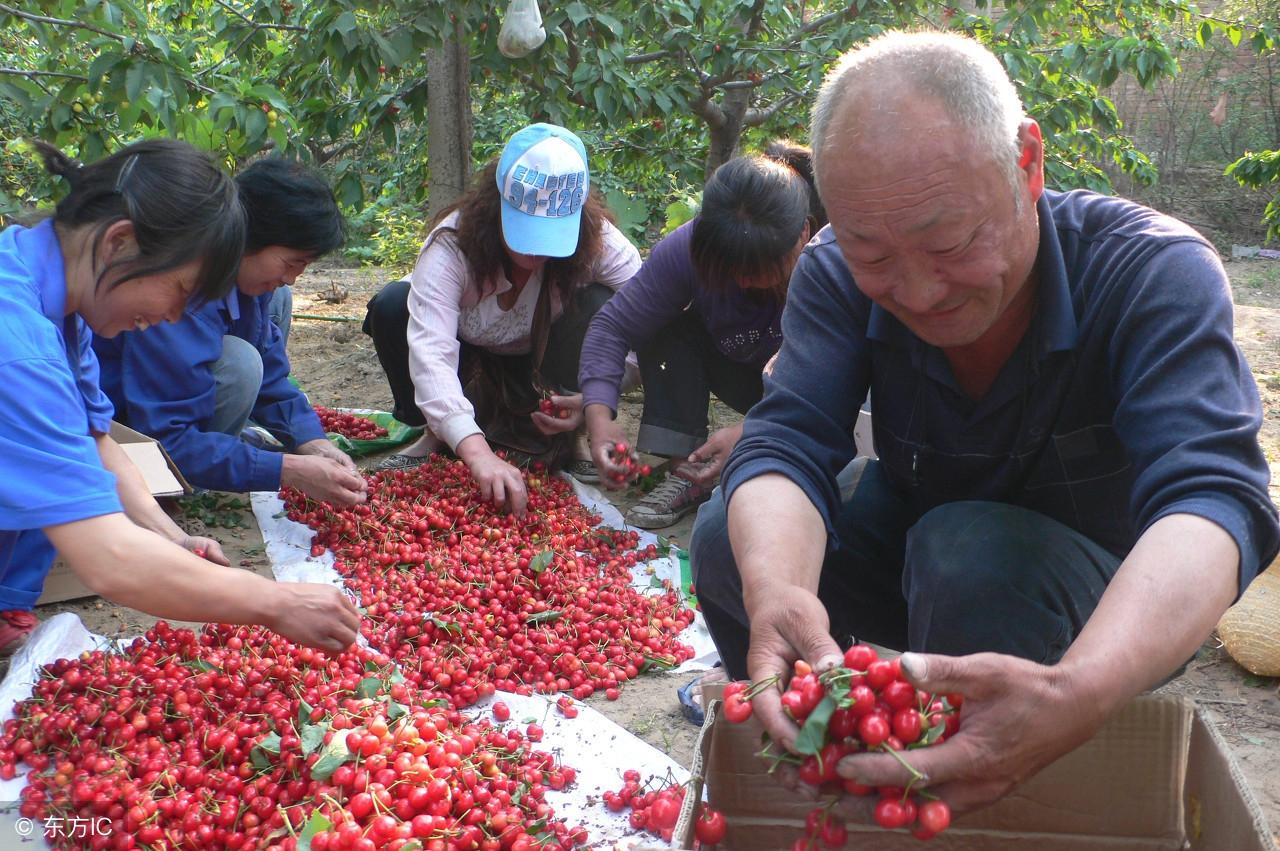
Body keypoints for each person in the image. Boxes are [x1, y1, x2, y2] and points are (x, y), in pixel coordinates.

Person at [689, 30, 1279, 813]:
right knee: (729, 534)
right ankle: (809, 752)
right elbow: (788, 440)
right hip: (920, 552)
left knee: (970, 550)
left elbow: (1216, 498)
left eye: (951, 241)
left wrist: (1080, 686)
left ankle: (992, 789)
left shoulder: (1152, 273)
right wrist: (775, 588)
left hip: (1100, 601)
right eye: (873, 252)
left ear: (1027, 165)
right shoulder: (835, 273)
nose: (919, 290)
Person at [0, 140, 360, 657]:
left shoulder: (55, 289)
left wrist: (170, 537)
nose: (173, 318)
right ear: (119, 243)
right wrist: (274, 602)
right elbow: (112, 561)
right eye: (182, 289)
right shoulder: (20, 347)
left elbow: (96, 438)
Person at [363, 123, 641, 517]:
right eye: (524, 231)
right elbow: (431, 353)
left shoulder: (600, 243)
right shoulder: (452, 246)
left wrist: (598, 403)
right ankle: (434, 433)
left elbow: (647, 319)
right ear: (496, 206)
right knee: (393, 304)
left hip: (538, 350)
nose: (533, 250)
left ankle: (569, 436)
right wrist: (477, 454)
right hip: (466, 347)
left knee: (600, 303)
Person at [94, 157, 366, 506]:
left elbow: (272, 372)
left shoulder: (246, 279)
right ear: (248, 237)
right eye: (291, 262)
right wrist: (287, 469)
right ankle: (183, 481)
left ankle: (227, 448)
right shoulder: (177, 294)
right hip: (126, 434)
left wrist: (311, 440)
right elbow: (168, 439)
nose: (292, 277)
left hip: (168, 407)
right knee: (240, 362)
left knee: (276, 302)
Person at [579, 143, 825, 529]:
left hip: (810, 389)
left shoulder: (833, 261)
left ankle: (765, 456)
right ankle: (688, 470)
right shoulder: (688, 250)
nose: (743, 281)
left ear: (803, 235)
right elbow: (614, 326)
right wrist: (598, 415)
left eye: (757, 270)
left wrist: (751, 432)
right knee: (664, 322)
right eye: (731, 270)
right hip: (739, 366)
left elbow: (840, 379)